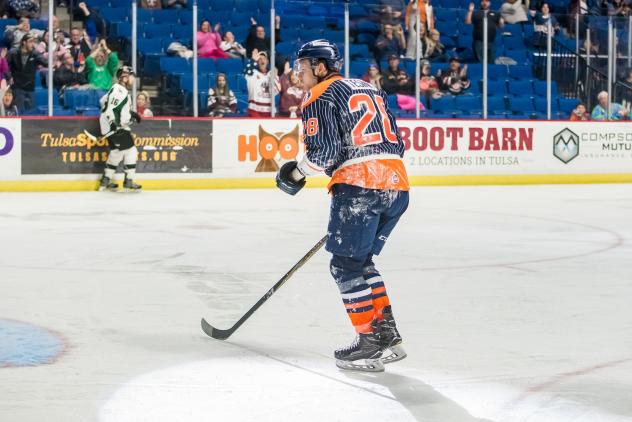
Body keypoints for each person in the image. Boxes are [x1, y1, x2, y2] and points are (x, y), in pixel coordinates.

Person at [275, 39, 410, 373]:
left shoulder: (319, 95)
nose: (298, 75)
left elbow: (323, 154)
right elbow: (398, 142)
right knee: (361, 262)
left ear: (320, 67)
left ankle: (368, 341)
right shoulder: (369, 87)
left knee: (344, 266)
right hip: (397, 184)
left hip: (360, 186)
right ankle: (386, 335)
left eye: (303, 68)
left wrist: (296, 172)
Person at [98, 66, 143, 192]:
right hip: (115, 127)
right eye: (132, 76)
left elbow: (103, 102)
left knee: (116, 152)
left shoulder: (117, 89)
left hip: (111, 126)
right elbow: (109, 109)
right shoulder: (120, 90)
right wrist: (113, 123)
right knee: (131, 151)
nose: (134, 79)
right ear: (124, 77)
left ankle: (105, 181)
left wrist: (130, 113)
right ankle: (129, 181)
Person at [7, 33, 47, 112]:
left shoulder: (35, 54)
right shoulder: (13, 52)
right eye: (30, 41)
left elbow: (46, 63)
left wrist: (38, 52)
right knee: (18, 110)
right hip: (17, 86)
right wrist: (9, 76)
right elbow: (5, 66)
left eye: (34, 42)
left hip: (30, 87)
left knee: (31, 112)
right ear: (24, 42)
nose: (32, 44)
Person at [243, 49, 280, 117]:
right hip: (255, 110)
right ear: (257, 61)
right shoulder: (253, 74)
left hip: (270, 110)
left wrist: (273, 77)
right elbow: (246, 71)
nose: (262, 61)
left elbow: (277, 90)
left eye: (264, 59)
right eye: (259, 59)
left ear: (267, 61)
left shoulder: (271, 74)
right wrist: (252, 60)